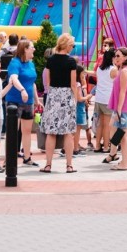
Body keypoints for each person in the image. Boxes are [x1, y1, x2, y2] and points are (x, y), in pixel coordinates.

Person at [39, 34, 78, 173]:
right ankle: (69, 165)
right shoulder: (71, 62)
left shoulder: (50, 60)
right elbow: (73, 84)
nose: (73, 48)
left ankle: (48, 164)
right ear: (67, 45)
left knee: (51, 133)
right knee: (68, 133)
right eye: (72, 45)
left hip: (53, 95)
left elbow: (48, 83)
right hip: (66, 95)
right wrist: (77, 98)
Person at [7, 39, 41, 167]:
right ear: (25, 49)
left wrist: (37, 100)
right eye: (32, 47)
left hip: (29, 102)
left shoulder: (31, 63)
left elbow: (32, 83)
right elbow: (13, 78)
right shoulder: (15, 63)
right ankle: (9, 158)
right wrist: (22, 90)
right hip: (14, 101)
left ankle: (27, 157)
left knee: (27, 131)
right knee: (13, 131)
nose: (34, 49)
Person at [107, 47, 127, 171]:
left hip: (124, 107)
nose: (116, 58)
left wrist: (118, 109)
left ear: (125, 57)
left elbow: (123, 91)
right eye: (115, 56)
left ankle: (124, 163)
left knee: (124, 136)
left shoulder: (125, 71)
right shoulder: (126, 70)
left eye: (118, 56)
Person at [93, 49, 117, 154]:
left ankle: (97, 145)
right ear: (112, 57)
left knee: (100, 124)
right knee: (107, 125)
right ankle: (106, 147)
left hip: (99, 98)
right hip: (108, 99)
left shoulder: (99, 68)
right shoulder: (113, 69)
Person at [73, 64, 92, 157]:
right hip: (79, 108)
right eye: (82, 73)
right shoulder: (78, 84)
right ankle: (75, 148)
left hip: (73, 107)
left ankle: (71, 147)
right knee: (77, 129)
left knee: (73, 130)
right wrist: (88, 96)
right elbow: (79, 98)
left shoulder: (73, 83)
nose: (84, 75)